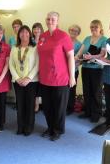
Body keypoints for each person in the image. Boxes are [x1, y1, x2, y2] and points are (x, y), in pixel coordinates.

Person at [37, 12, 75, 141]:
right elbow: (39, 56)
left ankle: (58, 130)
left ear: (57, 21)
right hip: (45, 78)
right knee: (47, 106)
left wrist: (72, 76)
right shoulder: (42, 36)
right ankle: (50, 127)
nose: (50, 21)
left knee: (59, 107)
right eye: (48, 19)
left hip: (60, 78)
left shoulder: (63, 36)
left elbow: (70, 57)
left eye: (53, 19)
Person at [9, 25, 39, 136]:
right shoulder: (14, 47)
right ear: (19, 35)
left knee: (30, 105)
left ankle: (29, 127)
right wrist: (17, 78)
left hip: (31, 82)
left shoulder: (34, 47)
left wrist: (28, 78)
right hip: (17, 81)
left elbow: (37, 65)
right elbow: (11, 64)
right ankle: (20, 127)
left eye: (26, 32)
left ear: (30, 34)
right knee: (20, 105)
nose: (24, 34)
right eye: (21, 32)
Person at [75, 19, 107, 123]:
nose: (93, 29)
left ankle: (96, 113)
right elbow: (80, 52)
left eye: (96, 27)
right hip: (85, 68)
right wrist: (75, 58)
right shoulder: (87, 38)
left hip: (97, 70)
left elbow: (103, 54)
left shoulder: (104, 39)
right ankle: (87, 111)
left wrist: (91, 56)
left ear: (100, 28)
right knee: (87, 91)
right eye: (92, 27)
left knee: (96, 92)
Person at [67, 24, 82, 115]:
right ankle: (63, 106)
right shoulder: (64, 41)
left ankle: (70, 108)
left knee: (72, 90)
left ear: (78, 33)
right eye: (72, 30)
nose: (73, 32)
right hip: (63, 71)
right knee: (63, 90)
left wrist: (74, 63)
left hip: (74, 71)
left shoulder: (80, 45)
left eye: (75, 31)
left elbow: (80, 60)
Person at [31, 22, 44, 112]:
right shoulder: (30, 40)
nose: (36, 30)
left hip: (43, 65)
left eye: (38, 28)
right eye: (34, 28)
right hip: (32, 66)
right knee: (34, 86)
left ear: (41, 30)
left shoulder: (44, 40)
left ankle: (43, 105)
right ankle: (36, 105)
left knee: (42, 86)